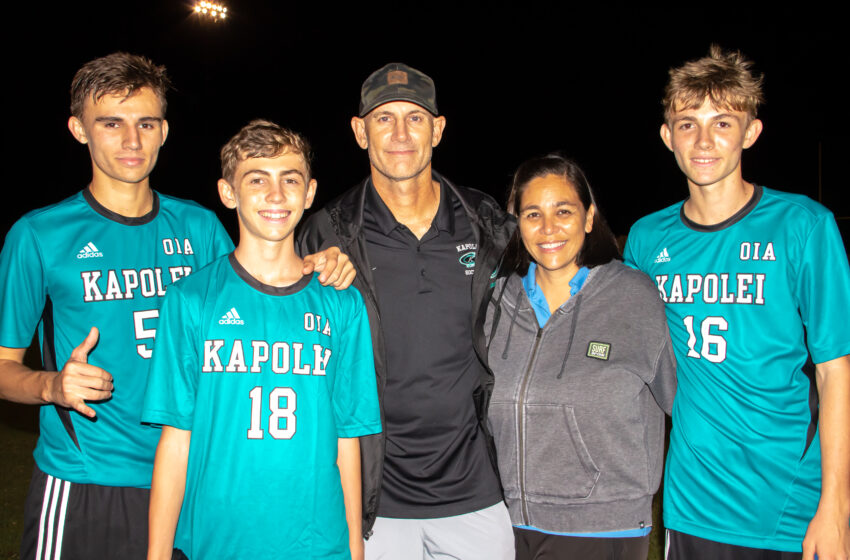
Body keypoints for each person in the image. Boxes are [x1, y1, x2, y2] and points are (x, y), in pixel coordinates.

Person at [0, 53, 351, 560]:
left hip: (193, 476)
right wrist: (50, 385)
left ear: (164, 131)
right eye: (111, 124)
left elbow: (259, 286)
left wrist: (319, 264)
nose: (131, 141)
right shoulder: (39, 236)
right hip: (90, 479)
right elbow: (5, 369)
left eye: (146, 123)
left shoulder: (198, 227)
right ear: (79, 130)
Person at [623, 45, 850, 560]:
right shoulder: (645, 238)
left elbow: (837, 372)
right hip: (691, 503)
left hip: (789, 503)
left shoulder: (803, 226)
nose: (704, 140)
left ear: (750, 132)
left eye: (722, 123)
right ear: (667, 136)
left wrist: (836, 507)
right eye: (687, 124)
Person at [298, 62, 516, 559]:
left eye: (415, 118)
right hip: (375, 500)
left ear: (438, 129)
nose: (400, 134)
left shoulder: (488, 224)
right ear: (359, 131)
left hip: (476, 493)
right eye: (383, 118)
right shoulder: (325, 234)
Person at [142, 120, 381, 560]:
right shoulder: (191, 299)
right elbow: (176, 439)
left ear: (309, 193)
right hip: (216, 541)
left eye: (290, 180)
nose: (276, 195)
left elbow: (348, 441)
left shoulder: (342, 305)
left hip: (316, 544)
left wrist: (354, 549)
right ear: (228, 193)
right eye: (257, 180)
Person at [485, 154, 676, 560]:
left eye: (564, 211)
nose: (549, 228)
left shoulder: (634, 296)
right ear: (516, 223)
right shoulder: (496, 300)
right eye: (533, 213)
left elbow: (684, 402)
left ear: (589, 218)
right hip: (505, 524)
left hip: (603, 526)